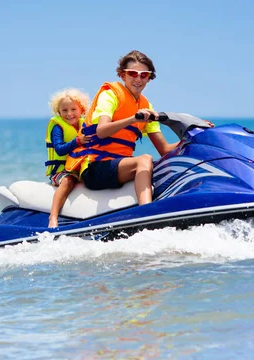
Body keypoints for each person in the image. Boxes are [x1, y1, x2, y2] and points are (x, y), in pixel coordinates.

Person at [65, 50, 181, 206]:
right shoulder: (110, 95)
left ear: (149, 78)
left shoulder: (146, 106)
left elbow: (165, 149)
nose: (138, 79)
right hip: (94, 168)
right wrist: (133, 118)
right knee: (145, 159)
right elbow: (102, 130)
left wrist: (194, 137)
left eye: (143, 75)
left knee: (161, 167)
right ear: (122, 75)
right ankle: (146, 212)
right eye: (133, 73)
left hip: (118, 166)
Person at [45, 88, 91, 227]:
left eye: (73, 109)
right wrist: (77, 141)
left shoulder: (85, 124)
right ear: (59, 112)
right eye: (64, 110)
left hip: (79, 167)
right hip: (60, 171)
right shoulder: (57, 127)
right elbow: (59, 150)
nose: (69, 114)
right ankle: (53, 217)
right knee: (68, 181)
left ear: (81, 110)